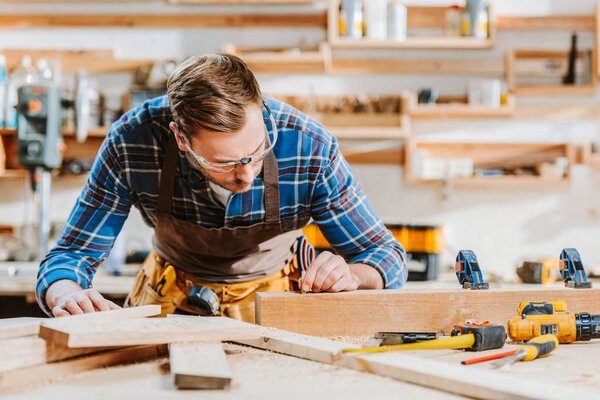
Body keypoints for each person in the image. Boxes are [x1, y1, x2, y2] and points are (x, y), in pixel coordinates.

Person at [36, 54, 407, 322]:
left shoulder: (310, 145)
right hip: (169, 297)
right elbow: (70, 255)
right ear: (180, 138)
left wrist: (354, 275)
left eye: (256, 152)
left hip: (278, 304)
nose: (246, 176)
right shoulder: (131, 141)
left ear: (261, 112)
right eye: (225, 163)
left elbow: (386, 255)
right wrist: (65, 292)